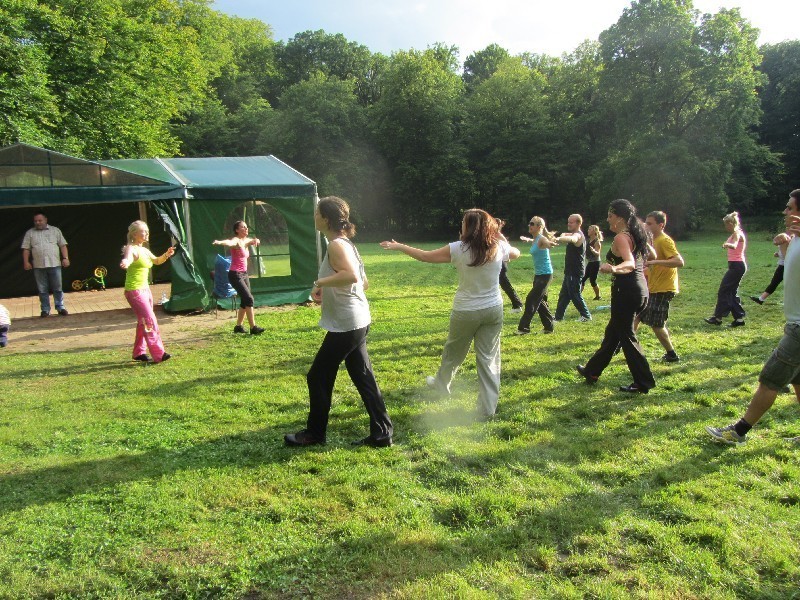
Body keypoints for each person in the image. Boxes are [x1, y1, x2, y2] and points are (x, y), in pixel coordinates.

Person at [380, 208, 521, 418]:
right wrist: (500, 236)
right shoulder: (499, 246)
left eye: (463, 222)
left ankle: (442, 384)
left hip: (466, 311)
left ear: (468, 226)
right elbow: (516, 253)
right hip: (493, 310)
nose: (461, 225)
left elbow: (425, 256)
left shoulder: (458, 249)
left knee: (454, 351)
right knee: (489, 358)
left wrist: (400, 246)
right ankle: (487, 408)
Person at [285, 196, 393, 448]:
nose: (313, 217)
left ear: (325, 218)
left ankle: (314, 434)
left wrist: (320, 283)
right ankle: (382, 433)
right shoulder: (347, 244)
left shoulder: (336, 245)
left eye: (316, 213)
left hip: (347, 323)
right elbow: (363, 283)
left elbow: (352, 276)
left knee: (318, 376)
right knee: (363, 376)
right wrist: (332, 288)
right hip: (357, 320)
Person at [706, 190, 800, 445]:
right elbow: (783, 272)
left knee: (770, 379)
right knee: (798, 381)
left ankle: (738, 431)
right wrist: (784, 245)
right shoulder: (794, 239)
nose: (784, 211)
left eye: (789, 208)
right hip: (794, 322)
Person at [577, 199, 656, 394]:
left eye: (610, 216)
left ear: (620, 218)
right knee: (613, 333)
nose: (608, 219)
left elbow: (629, 262)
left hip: (626, 292)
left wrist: (613, 268)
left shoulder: (622, 237)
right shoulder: (638, 233)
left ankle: (643, 382)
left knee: (626, 336)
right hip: (640, 290)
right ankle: (592, 371)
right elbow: (651, 255)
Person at [120, 220, 174, 363]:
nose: (147, 233)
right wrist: (126, 262)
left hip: (145, 289)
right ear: (134, 234)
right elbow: (128, 258)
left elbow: (156, 261)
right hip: (134, 290)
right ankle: (159, 354)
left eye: (147, 230)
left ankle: (139, 352)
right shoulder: (131, 248)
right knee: (149, 321)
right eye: (143, 231)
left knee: (142, 321)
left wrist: (167, 254)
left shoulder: (144, 250)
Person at [635, 211, 685, 362]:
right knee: (636, 316)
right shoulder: (652, 241)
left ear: (660, 225)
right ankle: (625, 346)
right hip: (652, 287)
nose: (646, 225)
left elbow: (679, 262)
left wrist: (655, 262)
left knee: (656, 324)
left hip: (664, 289)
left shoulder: (664, 241)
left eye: (650, 223)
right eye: (646, 222)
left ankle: (672, 354)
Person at [212, 221, 265, 335]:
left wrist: (256, 240)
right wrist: (220, 242)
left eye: (246, 227)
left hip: (244, 274)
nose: (246, 229)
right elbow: (229, 242)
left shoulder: (245, 240)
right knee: (249, 299)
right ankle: (253, 327)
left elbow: (253, 240)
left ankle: (238, 326)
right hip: (235, 275)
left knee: (244, 301)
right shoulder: (236, 241)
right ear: (237, 230)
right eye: (243, 227)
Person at [21, 211, 70, 317]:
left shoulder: (55, 230)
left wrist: (65, 258)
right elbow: (26, 249)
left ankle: (60, 307)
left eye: (40, 220)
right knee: (42, 289)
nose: (37, 223)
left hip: (54, 264)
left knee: (58, 287)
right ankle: (45, 309)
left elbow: (63, 245)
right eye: (35, 221)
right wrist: (26, 262)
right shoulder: (30, 233)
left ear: (45, 220)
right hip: (39, 265)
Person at [515, 216, 557, 335]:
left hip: (545, 275)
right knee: (541, 302)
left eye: (532, 224)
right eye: (529, 223)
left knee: (531, 300)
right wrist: (527, 240)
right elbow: (534, 242)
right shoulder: (535, 239)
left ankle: (524, 328)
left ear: (539, 227)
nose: (529, 225)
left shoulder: (542, 239)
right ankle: (549, 327)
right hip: (538, 275)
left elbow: (547, 243)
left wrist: (551, 243)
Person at [705, 211, 747, 327]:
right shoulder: (735, 233)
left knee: (723, 290)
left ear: (731, 223)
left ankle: (717, 317)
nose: (725, 227)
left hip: (737, 266)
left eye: (726, 224)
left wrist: (728, 245)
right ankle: (739, 319)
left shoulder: (737, 233)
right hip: (736, 265)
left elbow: (734, 244)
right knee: (731, 292)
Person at [553, 214, 592, 322]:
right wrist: (561, 236)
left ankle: (586, 316)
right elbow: (566, 234)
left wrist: (560, 238)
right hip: (570, 270)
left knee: (575, 294)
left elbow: (573, 239)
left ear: (579, 223)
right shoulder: (573, 233)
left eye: (571, 222)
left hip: (575, 270)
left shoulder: (578, 235)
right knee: (564, 295)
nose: (569, 224)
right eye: (568, 222)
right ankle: (558, 317)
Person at [750, 229, 791, 305]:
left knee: (774, 283)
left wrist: (780, 254)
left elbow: (787, 257)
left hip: (783, 267)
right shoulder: (787, 243)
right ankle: (761, 299)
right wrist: (778, 254)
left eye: (776, 242)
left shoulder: (783, 244)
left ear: (781, 240)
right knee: (777, 283)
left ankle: (761, 299)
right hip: (785, 266)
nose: (775, 243)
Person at [496, 219, 523, 313]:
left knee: (505, 285)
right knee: (503, 285)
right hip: (499, 264)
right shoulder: (493, 234)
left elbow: (508, 247)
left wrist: (507, 258)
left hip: (500, 264)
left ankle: (517, 304)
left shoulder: (498, 235)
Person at [581, 224, 603, 301]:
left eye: (590, 229)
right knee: (583, 279)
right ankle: (578, 295)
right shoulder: (589, 240)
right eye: (588, 229)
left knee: (592, 280)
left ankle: (598, 296)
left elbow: (598, 253)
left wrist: (593, 250)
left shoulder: (597, 242)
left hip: (595, 263)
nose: (588, 230)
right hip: (590, 262)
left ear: (594, 232)